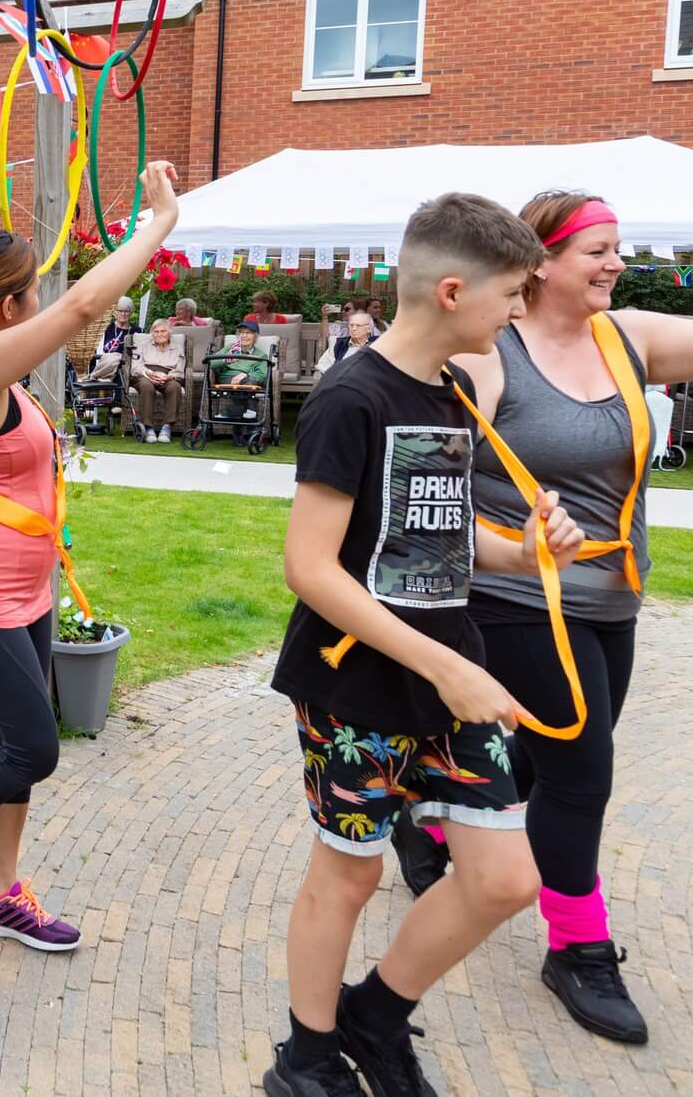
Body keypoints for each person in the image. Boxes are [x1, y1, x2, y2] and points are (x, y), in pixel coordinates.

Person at [432, 191, 693, 1047]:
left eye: (618, 248)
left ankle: (437, 808)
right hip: (516, 599)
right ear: (540, 261)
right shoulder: (489, 354)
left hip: (613, 595)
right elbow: (425, 500)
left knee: (544, 758)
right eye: (596, 249)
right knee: (583, 770)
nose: (614, 262)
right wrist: (510, 550)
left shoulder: (628, 337)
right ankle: (578, 946)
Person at [264, 193, 583, 1097]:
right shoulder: (349, 398)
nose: (520, 311)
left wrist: (520, 548)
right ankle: (310, 1055)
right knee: (350, 875)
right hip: (359, 683)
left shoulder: (449, 390)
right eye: (513, 294)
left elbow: (428, 528)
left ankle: (375, 1013)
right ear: (452, 290)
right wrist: (444, 664)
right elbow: (309, 565)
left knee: (503, 879)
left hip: (452, 671)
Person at [0, 160, 180, 952]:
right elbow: (90, 303)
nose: (47, 303)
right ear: (13, 304)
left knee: (5, 743)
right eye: (35, 292)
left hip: (24, 584)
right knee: (34, 746)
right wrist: (158, 224)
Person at [133, 318, 188, 442]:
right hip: (145, 375)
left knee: (174, 387)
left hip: (167, 375)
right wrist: (148, 373)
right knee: (147, 387)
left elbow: (180, 369)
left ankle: (166, 427)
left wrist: (169, 376)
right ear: (152, 333)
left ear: (169, 332)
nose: (159, 334)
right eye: (156, 331)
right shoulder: (143, 345)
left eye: (163, 331)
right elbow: (135, 366)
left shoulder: (177, 347)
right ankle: (148, 428)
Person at [211, 317, 274, 424]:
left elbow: (262, 374)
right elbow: (211, 363)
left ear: (255, 336)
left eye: (248, 333)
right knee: (247, 384)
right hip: (228, 378)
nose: (244, 336)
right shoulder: (230, 348)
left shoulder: (261, 354)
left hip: (249, 380)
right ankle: (251, 417)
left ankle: (232, 414)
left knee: (249, 382)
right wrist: (227, 359)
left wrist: (245, 374)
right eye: (241, 333)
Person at [88, 300, 139, 385]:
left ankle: (94, 377)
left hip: (126, 366)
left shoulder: (137, 330)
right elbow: (94, 349)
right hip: (104, 362)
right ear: (114, 312)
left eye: (126, 311)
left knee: (118, 358)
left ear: (131, 313)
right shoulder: (105, 327)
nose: (123, 314)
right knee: (115, 358)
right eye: (120, 311)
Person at [315, 310, 376, 378]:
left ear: (369, 329)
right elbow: (323, 366)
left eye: (358, 325)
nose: (354, 328)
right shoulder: (338, 345)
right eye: (351, 325)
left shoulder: (377, 345)